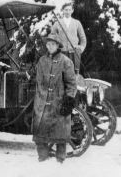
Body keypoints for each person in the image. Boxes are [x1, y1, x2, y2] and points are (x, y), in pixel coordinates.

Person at [32, 33, 77, 163]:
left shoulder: (66, 61)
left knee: (60, 133)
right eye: (48, 44)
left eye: (53, 44)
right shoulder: (42, 61)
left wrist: (68, 101)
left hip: (59, 102)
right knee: (40, 131)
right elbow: (39, 81)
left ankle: (60, 159)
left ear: (58, 46)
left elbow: (71, 84)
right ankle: (42, 157)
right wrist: (40, 98)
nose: (50, 46)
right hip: (42, 102)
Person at [52, 2, 86, 74]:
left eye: (69, 10)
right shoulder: (57, 23)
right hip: (62, 53)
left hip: (74, 53)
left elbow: (83, 39)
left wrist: (81, 48)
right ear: (63, 11)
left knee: (74, 74)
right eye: (66, 10)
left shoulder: (77, 23)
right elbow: (52, 38)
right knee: (61, 74)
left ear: (72, 10)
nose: (67, 12)